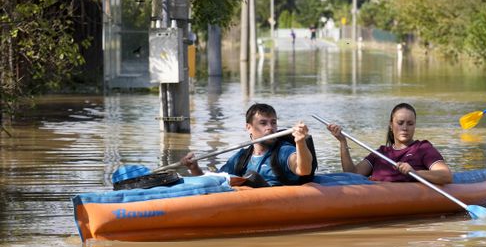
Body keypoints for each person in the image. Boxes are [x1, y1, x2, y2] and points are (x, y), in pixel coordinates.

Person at [180, 103, 315, 186]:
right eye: (263, 123)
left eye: (273, 122)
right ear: (248, 127)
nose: (270, 127)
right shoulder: (241, 157)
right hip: (246, 200)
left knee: (253, 177)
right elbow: (215, 182)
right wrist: (194, 169)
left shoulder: (284, 151)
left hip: (276, 202)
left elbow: (304, 170)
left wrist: (300, 142)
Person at [325, 103, 453, 185]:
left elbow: (446, 176)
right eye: (400, 122)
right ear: (391, 125)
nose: (405, 128)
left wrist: (415, 172)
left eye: (410, 124)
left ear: (415, 126)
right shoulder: (381, 153)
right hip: (376, 194)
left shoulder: (423, 148)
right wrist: (342, 142)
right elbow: (351, 174)